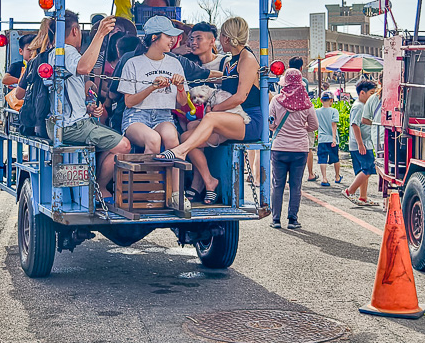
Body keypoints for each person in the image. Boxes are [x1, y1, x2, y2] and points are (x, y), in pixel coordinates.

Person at [156, 17, 261, 205]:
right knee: (188, 133)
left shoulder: (247, 58)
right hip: (231, 117)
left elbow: (240, 97)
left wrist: (214, 108)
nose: (219, 40)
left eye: (221, 35)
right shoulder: (230, 62)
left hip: (248, 119)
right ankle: (209, 181)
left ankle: (180, 152)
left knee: (210, 118)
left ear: (228, 38)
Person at [47, 11, 131, 203]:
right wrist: (100, 34)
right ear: (75, 30)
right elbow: (84, 68)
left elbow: (67, 92)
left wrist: (89, 108)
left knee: (113, 140)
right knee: (124, 145)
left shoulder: (58, 52)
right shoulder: (66, 51)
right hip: (72, 126)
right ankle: (99, 188)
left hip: (74, 121)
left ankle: (97, 185)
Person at [117, 17, 188, 154]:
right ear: (155, 37)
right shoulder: (133, 63)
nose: (173, 40)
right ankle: (150, 176)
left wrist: (180, 87)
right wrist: (152, 87)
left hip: (164, 116)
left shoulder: (175, 63)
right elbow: (129, 102)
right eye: (168, 36)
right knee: (153, 139)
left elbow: (182, 102)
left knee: (172, 139)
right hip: (136, 116)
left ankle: (174, 176)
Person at [267, 69, 318, 229]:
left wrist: (276, 127)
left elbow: (270, 123)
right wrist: (303, 127)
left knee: (277, 185)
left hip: (279, 148)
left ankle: (275, 219)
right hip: (300, 150)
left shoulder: (276, 101)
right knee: (296, 185)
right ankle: (293, 220)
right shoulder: (307, 104)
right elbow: (314, 126)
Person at [343, 79, 379, 207]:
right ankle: (350, 191)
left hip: (364, 143)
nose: (372, 95)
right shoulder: (358, 106)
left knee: (364, 171)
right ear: (362, 93)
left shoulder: (363, 105)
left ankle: (363, 197)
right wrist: (360, 144)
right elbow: (355, 125)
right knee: (368, 169)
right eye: (371, 92)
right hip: (361, 144)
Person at [288, 56, 318, 183]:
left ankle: (289, 176)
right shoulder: (303, 80)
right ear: (301, 67)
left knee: (288, 148)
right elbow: (305, 100)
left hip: (286, 120)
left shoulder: (283, 80)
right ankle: (310, 173)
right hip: (302, 119)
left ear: (289, 67)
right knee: (308, 148)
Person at [314, 91, 341, 186]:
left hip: (322, 139)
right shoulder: (334, 111)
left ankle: (324, 178)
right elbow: (334, 124)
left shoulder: (316, 111)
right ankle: (337, 176)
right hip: (332, 139)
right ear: (331, 100)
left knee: (322, 158)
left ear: (321, 100)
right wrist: (334, 138)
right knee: (335, 158)